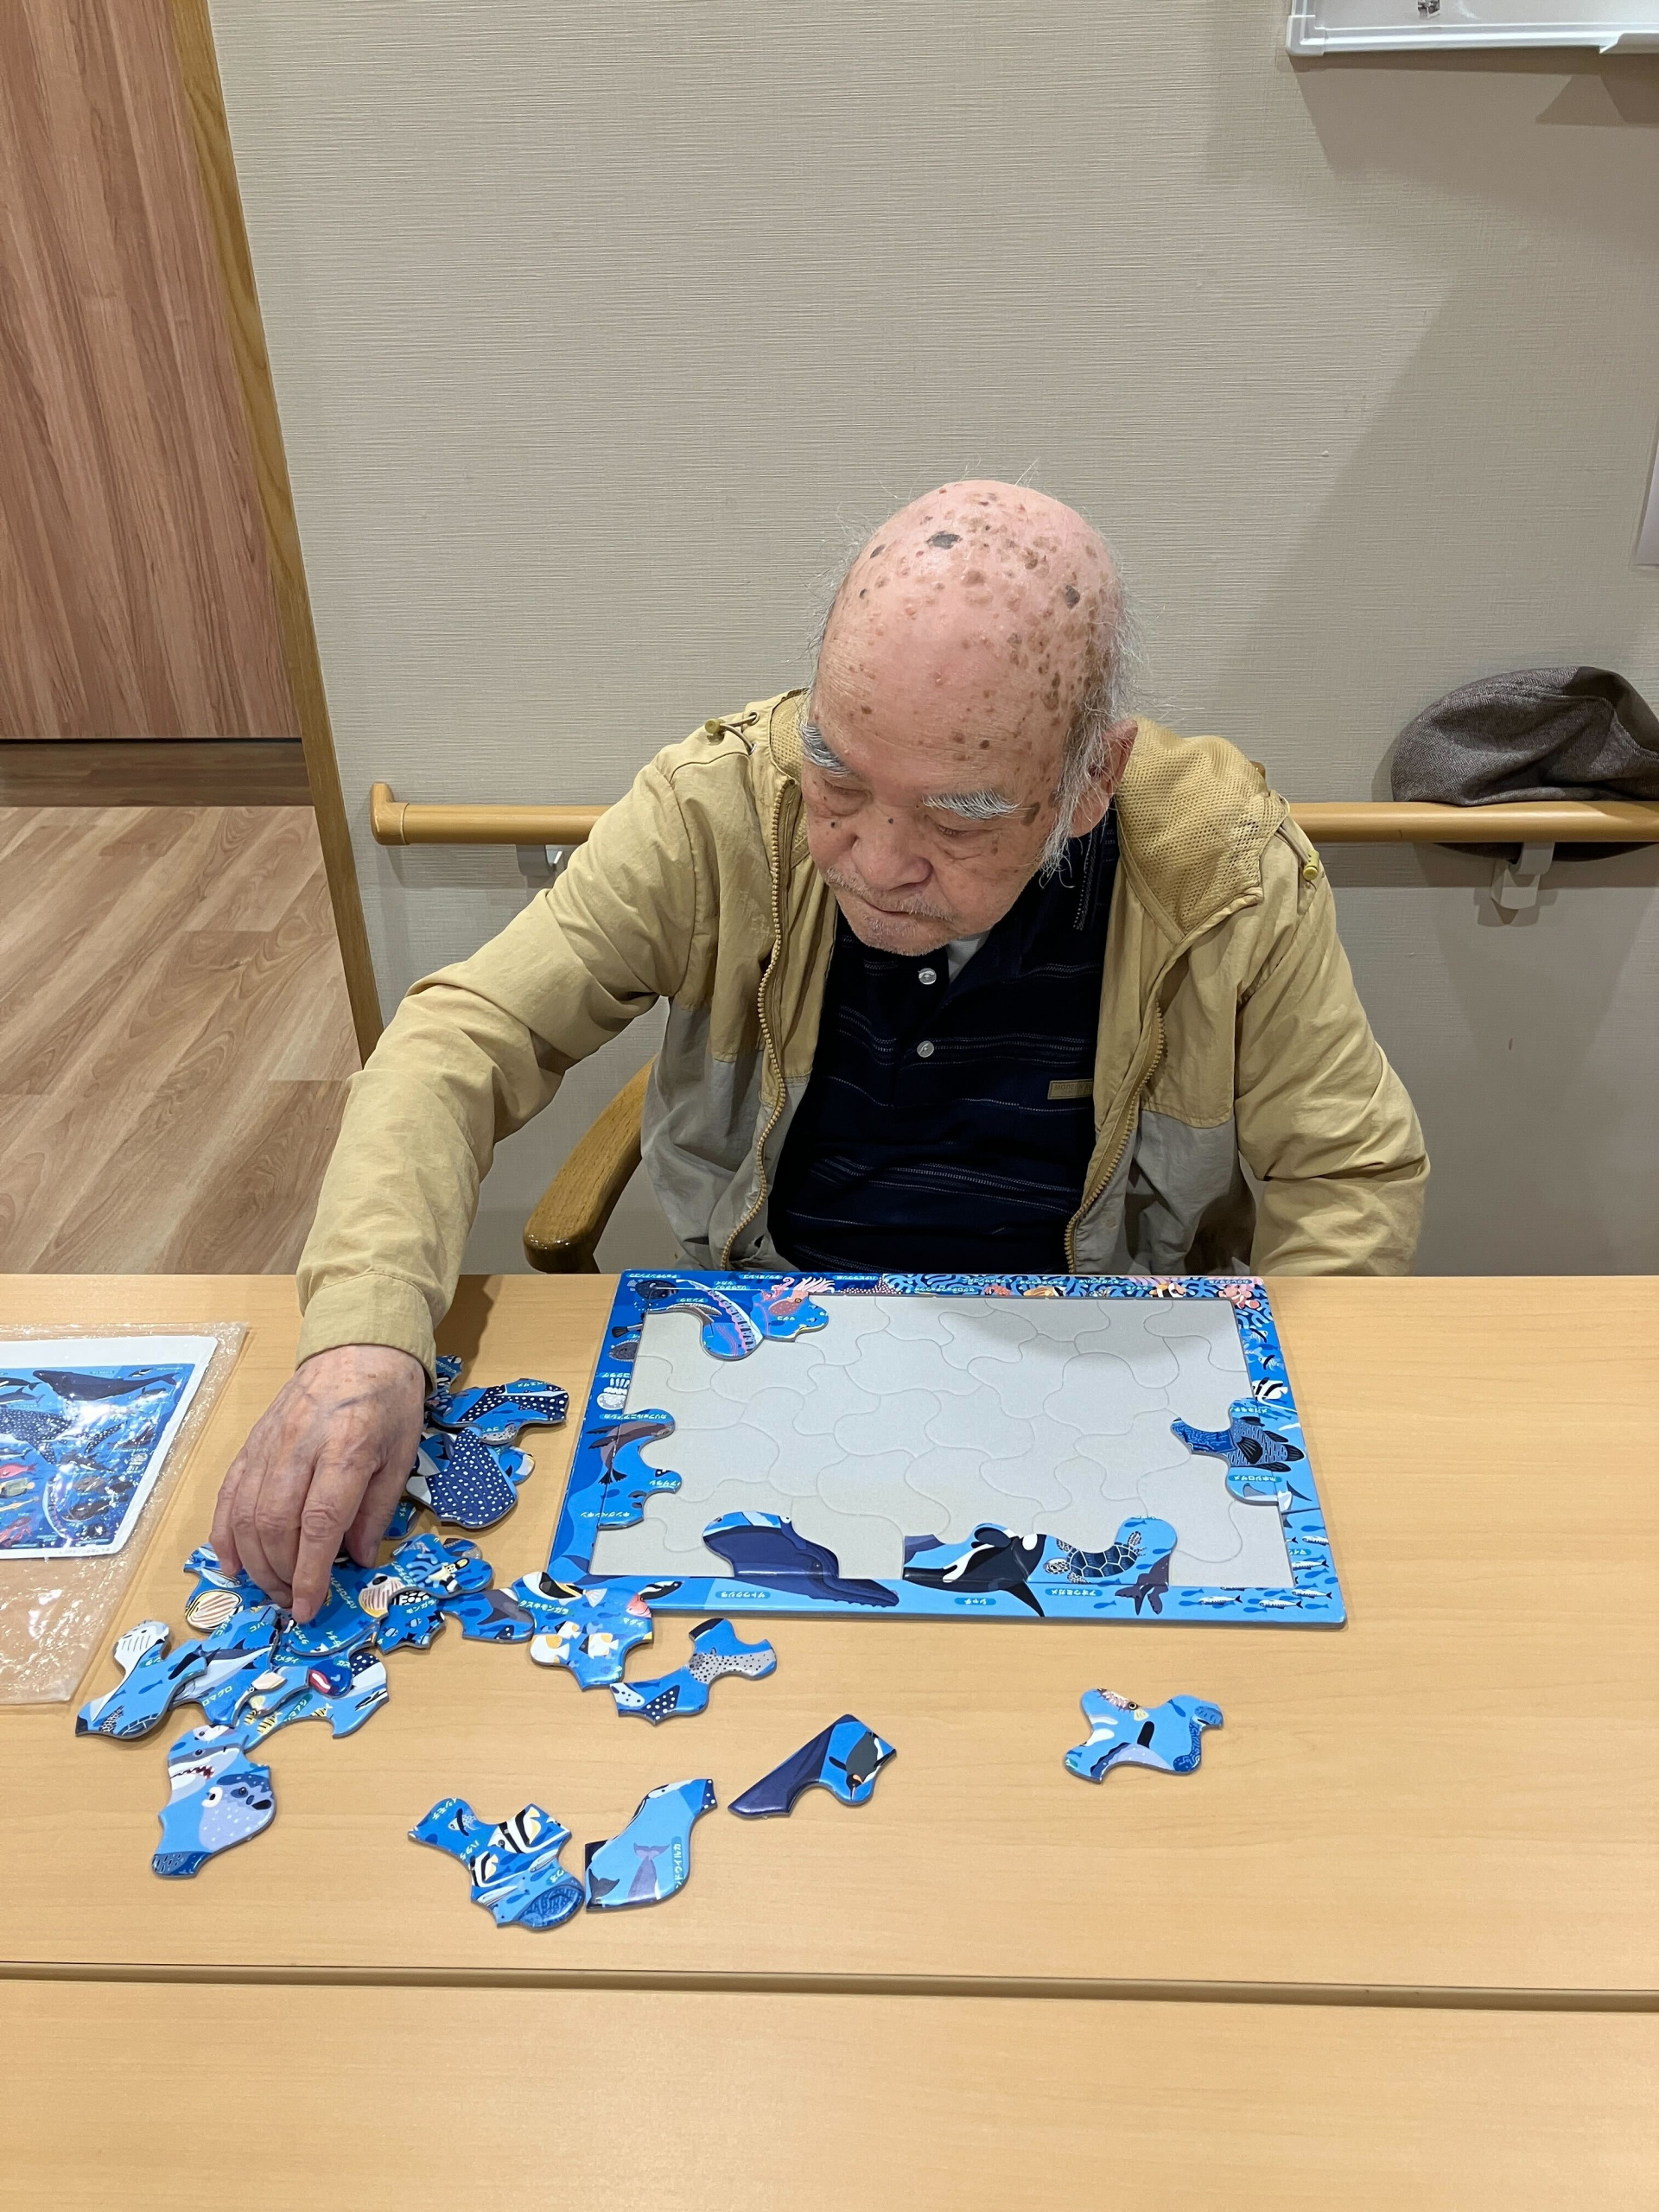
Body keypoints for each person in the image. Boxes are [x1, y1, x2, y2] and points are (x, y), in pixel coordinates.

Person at [213, 481, 1426, 1618]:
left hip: (1099, 1364)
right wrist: (364, 1336)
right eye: (838, 776)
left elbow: (1350, 1175)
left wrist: (1268, 1442)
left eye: (961, 815)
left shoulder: (1225, 875)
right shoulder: (718, 809)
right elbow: (461, 1035)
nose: (875, 861)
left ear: (1090, 780)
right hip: (774, 1348)